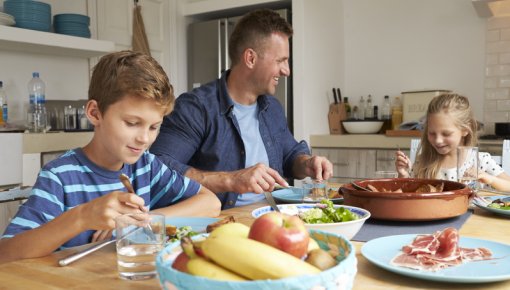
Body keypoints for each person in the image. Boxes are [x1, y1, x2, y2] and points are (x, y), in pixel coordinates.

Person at [0, 51, 221, 263]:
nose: (144, 138)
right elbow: (6, 254)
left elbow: (210, 203)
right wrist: (82, 217)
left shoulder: (147, 166)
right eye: (132, 123)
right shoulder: (60, 177)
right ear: (95, 113)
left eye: (154, 127)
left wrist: (142, 221)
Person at [150, 9, 333, 209]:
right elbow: (159, 167)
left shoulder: (272, 107)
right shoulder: (195, 108)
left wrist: (307, 163)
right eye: (280, 60)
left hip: (272, 213)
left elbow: (289, 154)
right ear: (251, 58)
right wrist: (231, 180)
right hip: (220, 221)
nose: (287, 71)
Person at [395, 93, 510, 191]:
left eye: (446, 134)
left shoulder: (480, 161)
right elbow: (411, 192)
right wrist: (404, 175)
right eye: (432, 133)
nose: (438, 140)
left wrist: (490, 179)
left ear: (465, 130)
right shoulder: (423, 161)